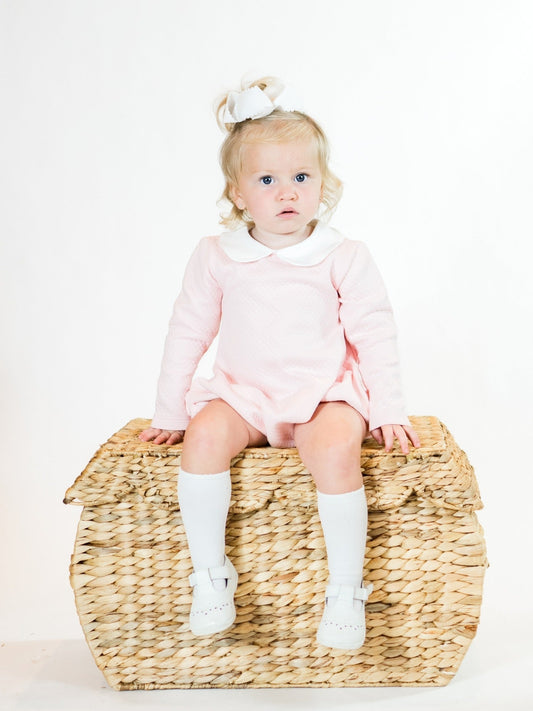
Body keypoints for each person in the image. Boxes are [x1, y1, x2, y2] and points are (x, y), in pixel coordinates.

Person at [139, 76, 420, 651]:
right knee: (203, 438)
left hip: (323, 392)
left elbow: (374, 334)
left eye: (301, 178)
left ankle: (345, 589)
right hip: (244, 394)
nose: (286, 193)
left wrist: (388, 408)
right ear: (238, 193)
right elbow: (188, 332)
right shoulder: (218, 256)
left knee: (334, 449)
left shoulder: (343, 256)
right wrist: (170, 411)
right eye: (267, 180)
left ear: (323, 184)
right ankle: (210, 574)